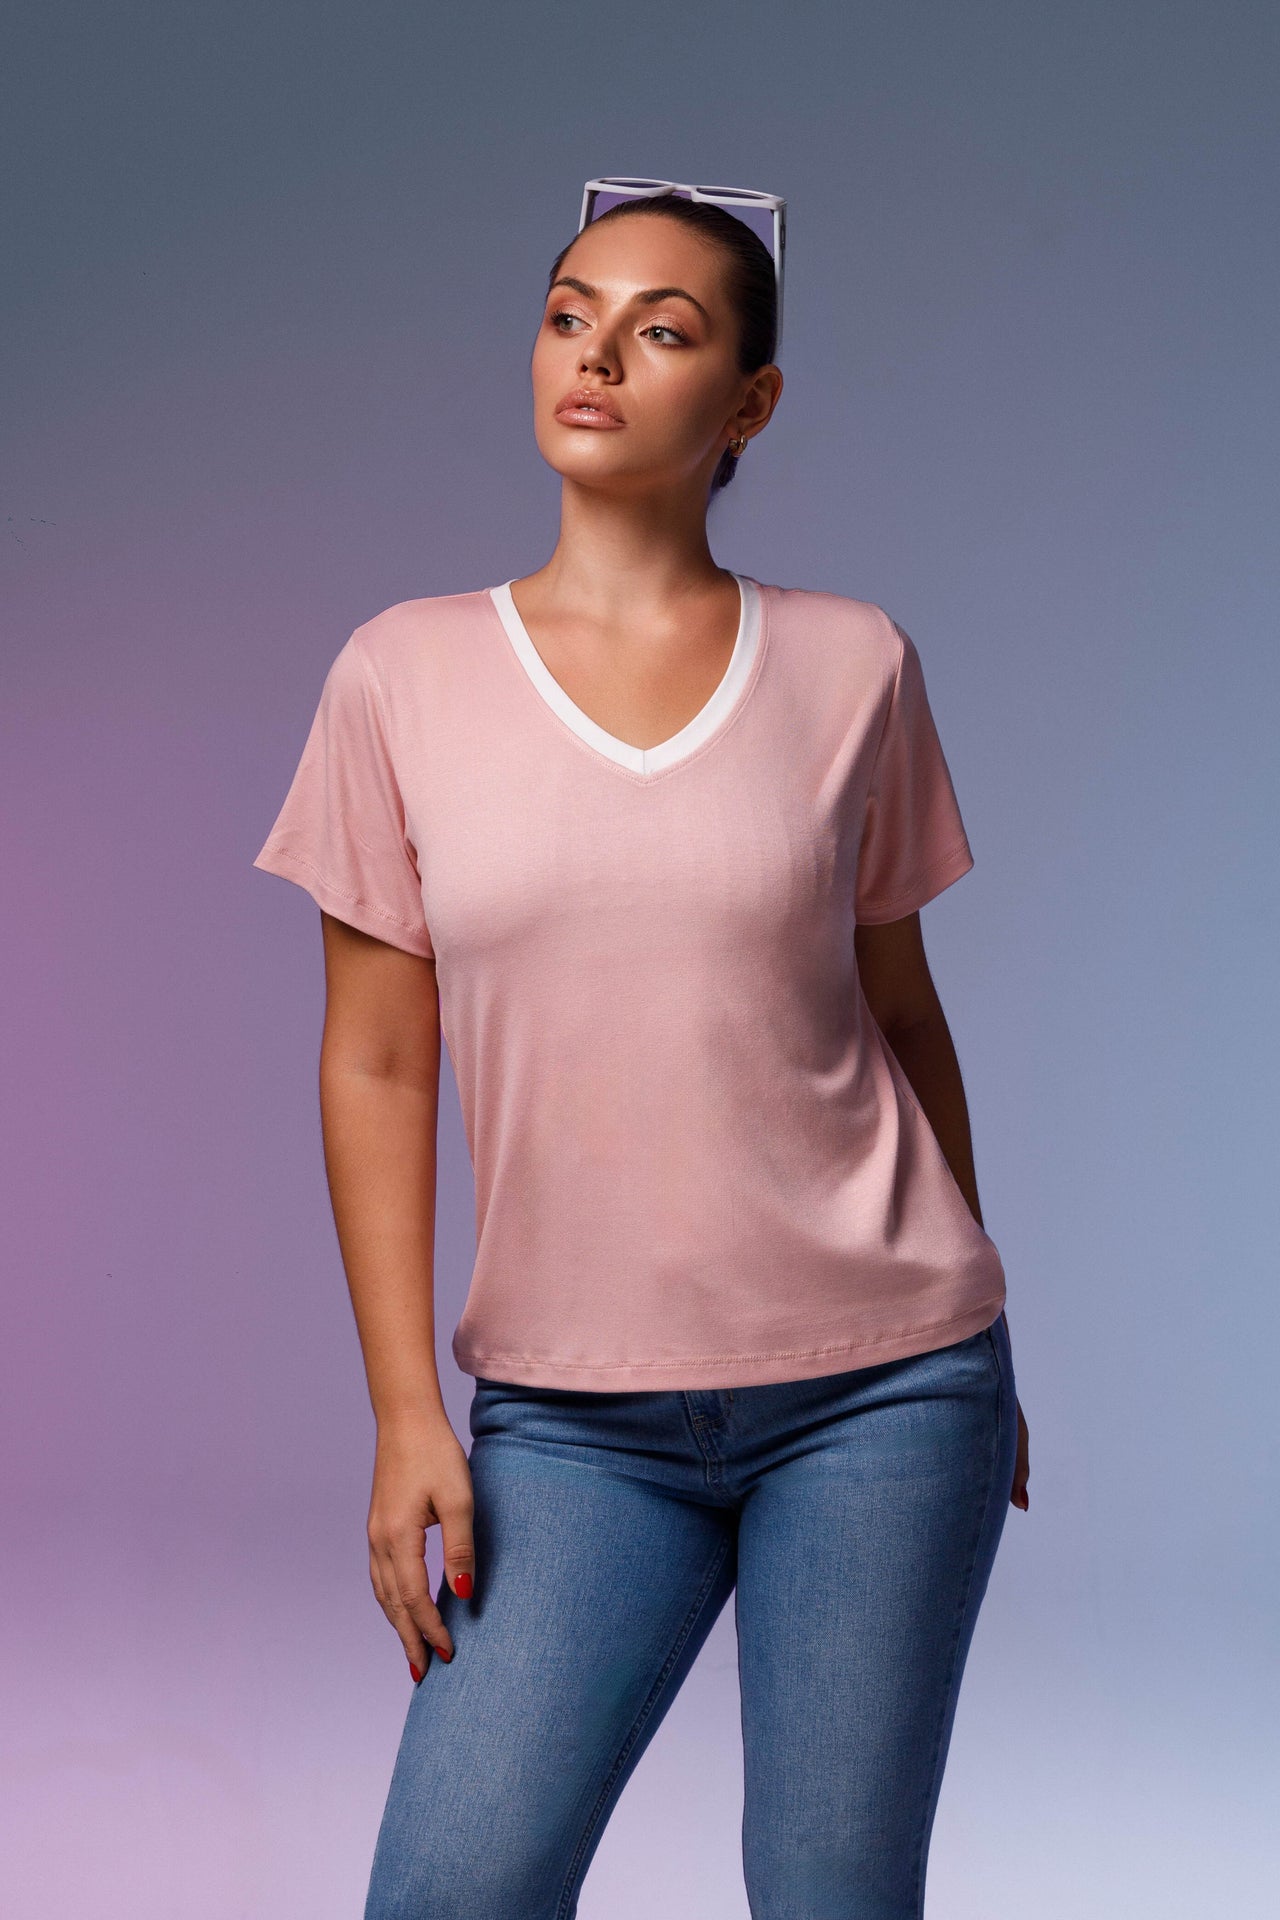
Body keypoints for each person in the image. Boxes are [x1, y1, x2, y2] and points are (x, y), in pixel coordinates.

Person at [253, 183, 1031, 1920]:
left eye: (661, 329)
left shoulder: (851, 664)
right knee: (451, 1894)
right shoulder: (400, 675)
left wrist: (984, 1338)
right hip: (569, 1423)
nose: (595, 355)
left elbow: (903, 1014)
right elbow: (375, 1064)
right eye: (568, 313)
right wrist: (404, 1414)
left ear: (750, 402)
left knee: (831, 1896)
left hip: (888, 1392)